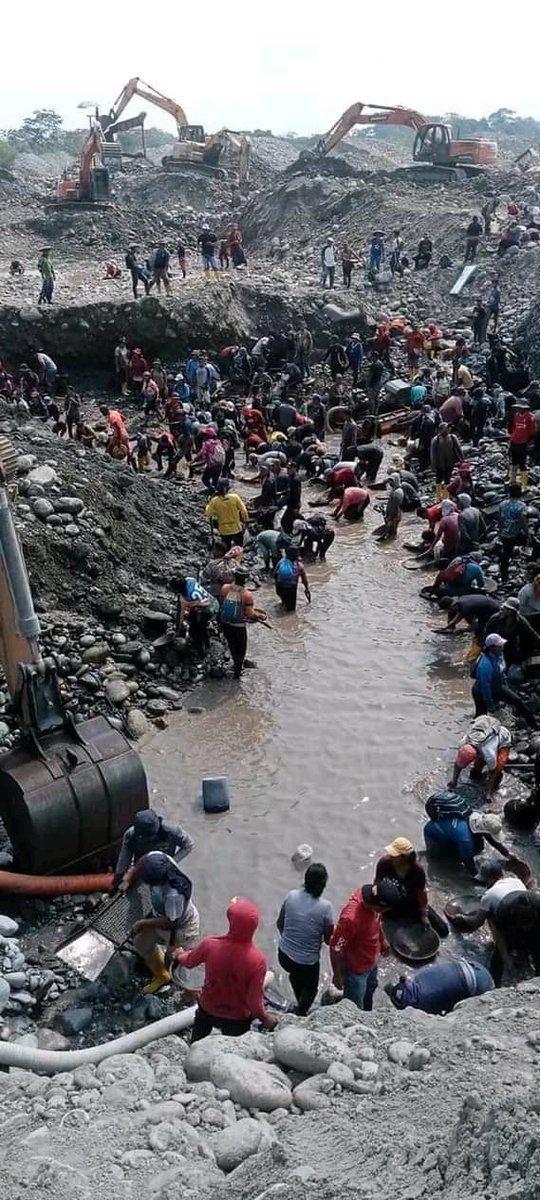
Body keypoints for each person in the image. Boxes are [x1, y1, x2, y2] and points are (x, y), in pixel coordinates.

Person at [175, 897, 277, 1041]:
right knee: (233, 1047)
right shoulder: (257, 960)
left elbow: (189, 962)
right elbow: (254, 1001)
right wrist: (265, 1018)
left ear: (230, 921)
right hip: (237, 1017)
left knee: (197, 1038)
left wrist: (179, 954)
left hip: (208, 1008)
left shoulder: (210, 945)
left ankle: (194, 1046)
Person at [127, 851, 200, 994]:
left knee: (174, 960)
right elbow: (143, 861)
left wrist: (142, 923)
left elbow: (172, 923)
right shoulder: (160, 858)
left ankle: (184, 991)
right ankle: (161, 975)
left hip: (181, 928)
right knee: (141, 943)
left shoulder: (173, 895)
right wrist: (129, 879)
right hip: (162, 916)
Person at [277, 863, 334, 1016]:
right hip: (307, 963)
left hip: (284, 956)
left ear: (305, 880)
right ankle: (301, 1013)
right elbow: (328, 940)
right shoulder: (326, 907)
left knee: (295, 975)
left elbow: (279, 924)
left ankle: (298, 1002)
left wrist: (292, 941)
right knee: (310, 989)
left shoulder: (291, 896)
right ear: (324, 884)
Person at [330, 884, 389, 1011]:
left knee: (370, 990)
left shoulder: (373, 902)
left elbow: (377, 920)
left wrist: (382, 940)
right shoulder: (350, 921)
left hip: (372, 960)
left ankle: (367, 1011)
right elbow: (336, 948)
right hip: (356, 971)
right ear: (377, 906)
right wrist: (337, 975)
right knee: (354, 1007)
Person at [112, 809, 194, 891]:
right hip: (141, 871)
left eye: (151, 837)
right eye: (145, 838)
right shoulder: (131, 835)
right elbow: (124, 857)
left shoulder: (172, 831)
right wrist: (118, 876)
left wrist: (171, 863)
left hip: (162, 872)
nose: (149, 840)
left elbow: (188, 844)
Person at [424, 798, 509, 877]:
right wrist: (478, 877)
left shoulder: (479, 816)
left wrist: (507, 854)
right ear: (483, 831)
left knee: (478, 847)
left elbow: (490, 837)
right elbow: (468, 861)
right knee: (451, 859)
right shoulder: (465, 840)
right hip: (433, 835)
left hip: (447, 828)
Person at [385, 959, 494, 1014]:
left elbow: (445, 1010)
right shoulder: (417, 978)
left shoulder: (423, 1003)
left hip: (481, 985)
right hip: (472, 965)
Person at [220, 566, 266, 677]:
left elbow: (222, 603)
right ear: (245, 579)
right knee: (241, 650)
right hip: (238, 626)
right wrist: (259, 616)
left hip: (225, 623)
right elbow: (250, 614)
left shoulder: (225, 588)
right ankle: (237, 673)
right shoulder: (247, 595)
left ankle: (234, 662)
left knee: (231, 644)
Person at [487, 890, 540, 985]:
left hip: (536, 930)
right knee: (497, 961)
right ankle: (492, 984)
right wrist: (506, 959)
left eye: (527, 923)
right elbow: (499, 934)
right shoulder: (504, 910)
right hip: (511, 929)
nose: (525, 927)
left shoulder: (538, 905)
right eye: (523, 923)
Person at [451, 715, 512, 797]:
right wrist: (453, 781)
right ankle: (478, 773)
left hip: (502, 740)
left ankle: (495, 784)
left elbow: (492, 772)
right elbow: (457, 765)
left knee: (498, 767)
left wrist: (488, 794)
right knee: (477, 767)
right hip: (484, 741)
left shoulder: (489, 753)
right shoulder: (463, 742)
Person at [374, 838, 428, 924]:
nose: (390, 857)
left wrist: (424, 914)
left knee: (438, 926)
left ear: (404, 857)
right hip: (392, 899)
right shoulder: (384, 863)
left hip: (410, 901)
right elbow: (377, 882)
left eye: (394, 855)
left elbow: (421, 892)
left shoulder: (418, 870)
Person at [175, 573, 217, 657]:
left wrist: (178, 631)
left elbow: (180, 616)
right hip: (214, 602)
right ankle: (207, 644)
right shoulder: (190, 579)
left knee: (194, 631)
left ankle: (201, 653)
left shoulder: (184, 598)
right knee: (202, 626)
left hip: (206, 610)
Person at [498, 484, 529, 580]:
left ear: (509, 493)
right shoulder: (522, 506)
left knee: (506, 553)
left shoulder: (502, 504)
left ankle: (504, 574)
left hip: (505, 533)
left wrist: (500, 530)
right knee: (531, 543)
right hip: (515, 533)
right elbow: (523, 522)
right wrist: (528, 534)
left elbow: (500, 519)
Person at [206, 479, 248, 548]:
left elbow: (208, 513)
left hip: (224, 531)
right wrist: (246, 521)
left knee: (226, 548)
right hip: (236, 529)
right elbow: (244, 511)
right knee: (239, 548)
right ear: (228, 488)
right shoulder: (235, 497)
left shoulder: (214, 501)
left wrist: (209, 502)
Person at [430, 424, 463, 501]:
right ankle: (439, 497)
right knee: (438, 481)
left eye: (448, 428)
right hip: (439, 464)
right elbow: (433, 454)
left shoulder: (452, 438)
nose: (448, 429)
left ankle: (445, 497)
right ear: (440, 429)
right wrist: (433, 465)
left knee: (447, 480)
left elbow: (458, 449)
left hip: (449, 463)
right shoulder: (436, 440)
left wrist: (461, 460)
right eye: (446, 428)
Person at [274, 545, 311, 611]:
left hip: (279, 588)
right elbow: (304, 580)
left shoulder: (281, 562)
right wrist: (307, 589)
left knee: (284, 601)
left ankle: (283, 604)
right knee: (291, 611)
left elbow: (274, 574)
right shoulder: (299, 566)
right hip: (291, 589)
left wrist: (277, 583)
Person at [509, 400, 536, 489]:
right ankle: (512, 480)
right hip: (514, 441)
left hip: (523, 443)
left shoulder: (530, 417)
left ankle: (523, 483)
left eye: (519, 408)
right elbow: (513, 428)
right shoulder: (515, 415)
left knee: (522, 464)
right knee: (513, 462)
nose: (518, 409)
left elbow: (532, 431)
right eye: (517, 408)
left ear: (524, 408)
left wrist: (529, 442)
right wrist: (512, 438)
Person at [373, 473, 403, 541]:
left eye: (391, 481)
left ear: (395, 481)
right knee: (392, 533)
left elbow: (394, 507)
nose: (390, 483)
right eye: (389, 481)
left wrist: (390, 518)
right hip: (396, 514)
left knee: (391, 534)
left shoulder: (397, 493)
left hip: (394, 516)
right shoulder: (397, 489)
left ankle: (392, 543)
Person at [281, 461, 302, 535]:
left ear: (294, 468)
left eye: (289, 468)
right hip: (290, 503)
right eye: (287, 468)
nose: (288, 470)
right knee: (287, 522)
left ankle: (289, 536)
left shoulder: (296, 479)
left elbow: (297, 494)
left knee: (285, 521)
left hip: (294, 504)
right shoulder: (290, 477)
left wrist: (295, 507)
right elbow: (289, 490)